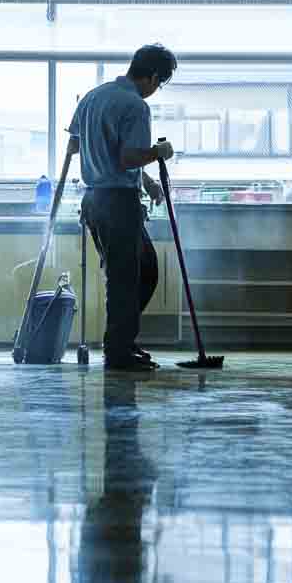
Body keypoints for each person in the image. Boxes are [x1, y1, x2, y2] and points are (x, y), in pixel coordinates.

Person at [66, 44, 177, 371]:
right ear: (153, 77)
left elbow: (80, 146)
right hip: (117, 203)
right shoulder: (135, 106)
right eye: (159, 83)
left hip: (96, 201)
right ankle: (118, 353)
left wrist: (146, 182)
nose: (155, 90)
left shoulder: (92, 97)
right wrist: (160, 152)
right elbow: (128, 156)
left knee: (141, 272)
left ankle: (122, 342)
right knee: (127, 278)